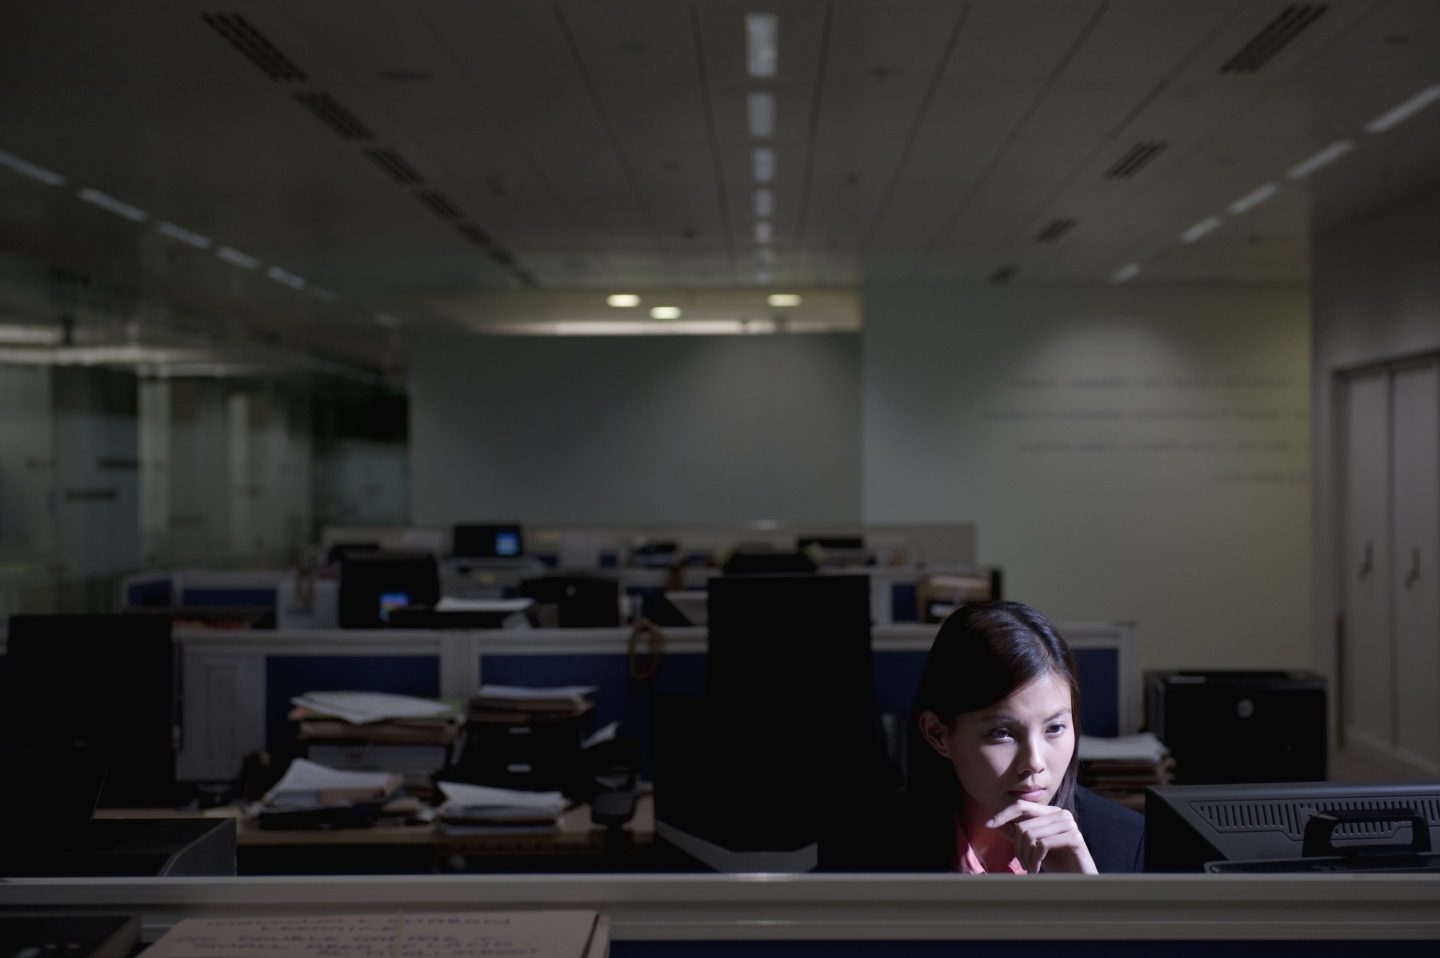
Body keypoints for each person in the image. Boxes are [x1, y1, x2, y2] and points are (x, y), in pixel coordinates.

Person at [820, 600, 1144, 872]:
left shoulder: (1129, 845)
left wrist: (1090, 900)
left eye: (1055, 728)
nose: (1033, 762)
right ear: (938, 734)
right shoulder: (862, 849)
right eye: (1002, 733)